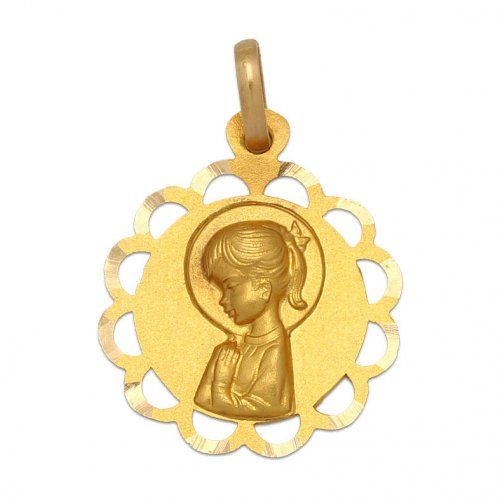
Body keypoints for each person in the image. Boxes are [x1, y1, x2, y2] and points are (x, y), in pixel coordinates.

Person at [194, 220, 309, 419]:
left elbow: (271, 408)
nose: (222, 300)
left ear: (264, 289)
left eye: (230, 287)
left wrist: (221, 385)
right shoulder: (235, 347)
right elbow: (202, 399)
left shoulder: (274, 349)